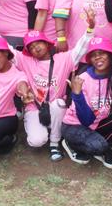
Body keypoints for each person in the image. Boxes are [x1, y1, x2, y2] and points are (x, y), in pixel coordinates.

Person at [13, 15, 95, 161]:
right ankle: (45, 130)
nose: (36, 48)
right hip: (34, 108)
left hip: (55, 108)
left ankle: (55, 143)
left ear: (46, 44)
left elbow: (80, 49)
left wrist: (90, 29)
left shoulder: (62, 59)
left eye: (38, 43)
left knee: (59, 104)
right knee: (36, 141)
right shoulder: (25, 61)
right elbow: (8, 51)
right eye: (31, 47)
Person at [60, 37, 112, 169]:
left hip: (98, 123)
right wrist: (78, 95)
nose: (98, 58)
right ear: (90, 60)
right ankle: (72, 143)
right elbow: (86, 120)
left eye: (102, 53)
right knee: (99, 146)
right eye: (93, 55)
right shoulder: (83, 80)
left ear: (111, 56)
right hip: (75, 125)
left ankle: (99, 143)